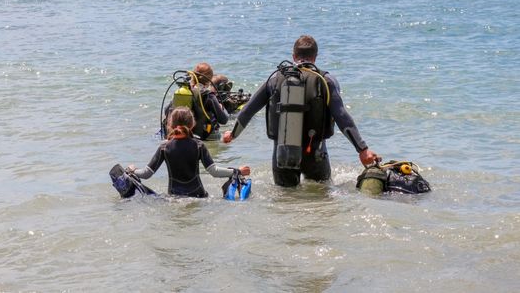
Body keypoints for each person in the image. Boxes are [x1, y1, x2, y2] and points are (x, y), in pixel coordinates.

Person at [223, 35, 380, 187]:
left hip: (282, 155)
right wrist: (362, 149)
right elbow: (341, 116)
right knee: (320, 197)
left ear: (293, 55)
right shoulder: (325, 80)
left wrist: (233, 134)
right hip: (315, 154)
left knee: (285, 200)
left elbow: (249, 110)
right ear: (315, 57)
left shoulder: (275, 79)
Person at [128, 107, 250, 198]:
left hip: (174, 198)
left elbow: (146, 174)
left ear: (170, 125)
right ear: (192, 124)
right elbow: (214, 172)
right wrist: (237, 171)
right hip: (199, 196)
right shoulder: (198, 145)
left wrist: (132, 170)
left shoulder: (164, 147)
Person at [165, 62, 229, 140]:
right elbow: (224, 120)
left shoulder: (184, 91)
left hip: (180, 134)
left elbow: (166, 111)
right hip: (204, 136)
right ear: (209, 79)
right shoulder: (208, 95)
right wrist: (221, 107)